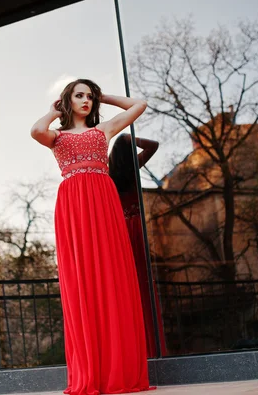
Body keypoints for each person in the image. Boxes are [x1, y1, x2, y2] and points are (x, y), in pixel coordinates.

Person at [30, 79, 156, 395]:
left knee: (112, 279)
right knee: (82, 283)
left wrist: (105, 97)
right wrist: (52, 110)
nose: (86, 100)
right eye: (80, 95)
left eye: (90, 96)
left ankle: (118, 369)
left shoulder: (104, 131)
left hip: (103, 200)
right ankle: (92, 372)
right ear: (67, 100)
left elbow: (138, 105)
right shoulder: (56, 136)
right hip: (73, 205)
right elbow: (35, 131)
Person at [108, 133, 167, 358]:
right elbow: (154, 144)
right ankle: (152, 346)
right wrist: (130, 138)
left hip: (122, 229)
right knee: (143, 279)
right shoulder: (134, 166)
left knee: (129, 284)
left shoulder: (109, 174)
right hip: (136, 226)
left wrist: (122, 142)